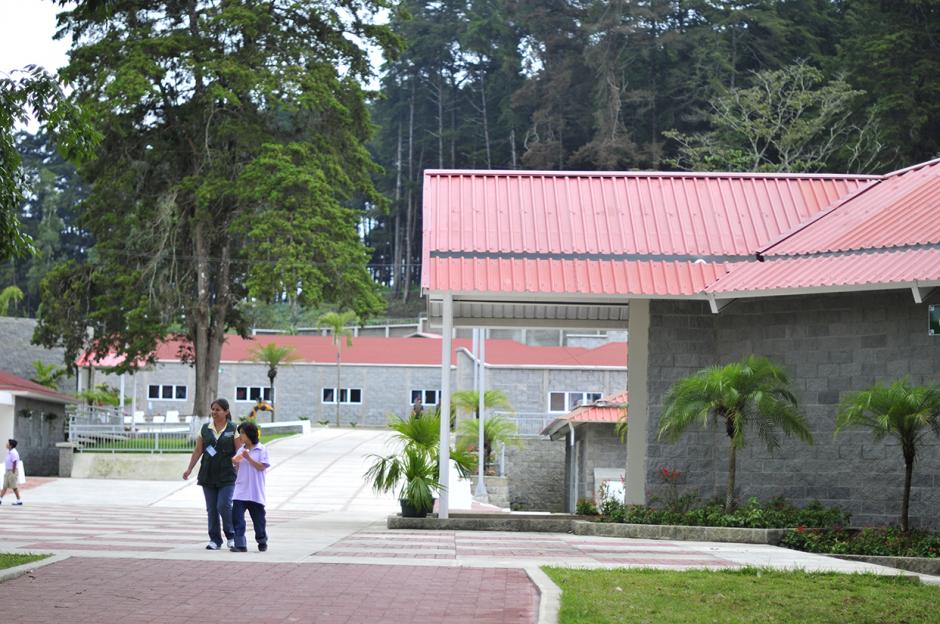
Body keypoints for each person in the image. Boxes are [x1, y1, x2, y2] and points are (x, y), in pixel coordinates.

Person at [183, 399, 238, 550]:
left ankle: (231, 536)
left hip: (227, 475)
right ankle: (215, 539)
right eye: (212, 409)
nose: (214, 412)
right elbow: (198, 451)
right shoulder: (205, 428)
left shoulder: (234, 429)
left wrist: (240, 474)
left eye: (218, 409)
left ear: (226, 412)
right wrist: (189, 469)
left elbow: (240, 453)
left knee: (224, 505)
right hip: (208, 474)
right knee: (212, 508)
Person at [230, 421, 270, 552]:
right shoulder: (241, 450)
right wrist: (235, 463)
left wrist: (248, 458)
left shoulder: (262, 449)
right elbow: (239, 469)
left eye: (242, 433)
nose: (240, 436)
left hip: (255, 492)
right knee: (237, 518)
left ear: (250, 434)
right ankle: (240, 544)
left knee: (258, 521)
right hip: (240, 490)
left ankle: (262, 540)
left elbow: (261, 467)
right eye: (239, 433)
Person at [0, 439, 23, 505]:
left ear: (11, 445)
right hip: (8, 471)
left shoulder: (13, 452)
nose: (6, 444)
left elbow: (15, 461)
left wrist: (13, 471)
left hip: (12, 471)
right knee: (4, 486)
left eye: (8, 443)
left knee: (14, 487)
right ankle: (0, 499)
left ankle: (19, 500)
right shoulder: (10, 451)